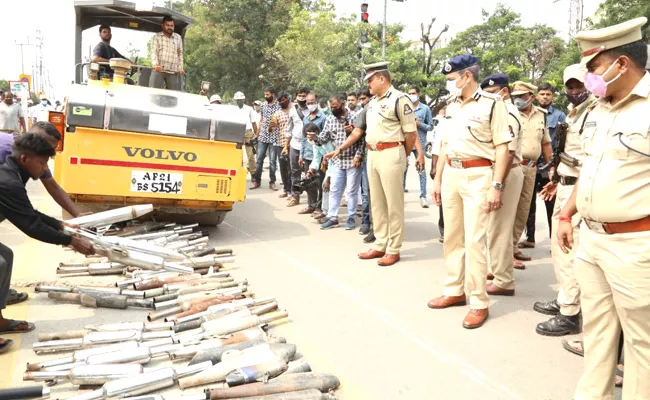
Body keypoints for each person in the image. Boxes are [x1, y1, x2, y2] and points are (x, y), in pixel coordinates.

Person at [557, 17, 650, 400]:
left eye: (592, 66)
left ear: (621, 64)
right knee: (596, 332)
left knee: (642, 343)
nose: (588, 76)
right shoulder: (599, 108)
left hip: (635, 245)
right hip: (591, 240)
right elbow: (591, 166)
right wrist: (567, 213)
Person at [427, 54, 512, 329]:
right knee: (452, 237)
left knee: (475, 241)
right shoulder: (451, 105)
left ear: (467, 76)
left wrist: (496, 186)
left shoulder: (492, 104)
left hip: (478, 175)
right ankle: (454, 290)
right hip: (451, 171)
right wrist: (438, 180)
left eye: (452, 79)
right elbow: (446, 145)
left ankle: (479, 301)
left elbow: (502, 147)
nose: (449, 84)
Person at [0, 133, 95, 353]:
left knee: (6, 256)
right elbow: (31, 226)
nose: (44, 169)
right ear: (25, 159)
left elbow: (28, 213)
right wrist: (71, 241)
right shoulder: (8, 181)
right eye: (42, 163)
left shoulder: (15, 173)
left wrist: (61, 225)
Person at [328, 62, 422, 266]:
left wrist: (402, 156)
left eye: (370, 80)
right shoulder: (372, 103)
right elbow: (358, 131)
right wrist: (340, 149)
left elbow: (411, 133)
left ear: (382, 78)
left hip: (391, 152)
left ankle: (394, 248)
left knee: (393, 204)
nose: (367, 84)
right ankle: (380, 244)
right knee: (377, 202)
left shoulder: (400, 99)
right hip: (373, 154)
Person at [533, 64, 598, 337]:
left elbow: (587, 161)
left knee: (568, 250)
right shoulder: (575, 112)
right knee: (559, 251)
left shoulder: (594, 113)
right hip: (565, 184)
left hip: (578, 191)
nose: (574, 91)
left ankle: (570, 312)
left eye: (579, 85)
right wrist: (557, 179)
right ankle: (565, 299)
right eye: (570, 87)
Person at [480, 74, 525, 297]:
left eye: (491, 93)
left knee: (499, 228)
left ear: (504, 92)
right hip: (502, 171)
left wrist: (497, 184)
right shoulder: (500, 110)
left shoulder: (507, 113)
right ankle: (496, 268)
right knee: (494, 225)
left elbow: (508, 152)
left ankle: (503, 280)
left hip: (506, 172)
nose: (487, 97)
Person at [510, 81, 552, 267]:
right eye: (516, 96)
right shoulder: (509, 113)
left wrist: (551, 167)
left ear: (531, 97)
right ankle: (504, 252)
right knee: (509, 209)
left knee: (524, 209)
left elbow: (546, 143)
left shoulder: (541, 115)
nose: (518, 99)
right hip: (513, 166)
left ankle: (513, 246)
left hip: (532, 167)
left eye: (522, 96)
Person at [520, 82, 567, 250]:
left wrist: (555, 167)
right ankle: (530, 238)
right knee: (528, 203)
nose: (545, 97)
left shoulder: (560, 116)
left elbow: (561, 143)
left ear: (552, 96)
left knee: (551, 205)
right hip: (531, 164)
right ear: (536, 96)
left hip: (549, 166)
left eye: (548, 94)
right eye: (542, 94)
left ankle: (554, 242)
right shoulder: (525, 113)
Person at [319, 93, 363, 230]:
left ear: (343, 104)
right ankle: (332, 218)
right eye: (331, 107)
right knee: (334, 189)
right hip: (337, 160)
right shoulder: (330, 119)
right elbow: (324, 138)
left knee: (351, 191)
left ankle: (351, 217)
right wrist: (315, 137)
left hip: (352, 159)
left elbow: (362, 139)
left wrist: (358, 155)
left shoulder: (355, 117)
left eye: (336, 107)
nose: (333, 109)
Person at [403, 86, 433, 208]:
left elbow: (430, 126)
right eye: (409, 93)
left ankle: (423, 196)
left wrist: (419, 124)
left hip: (419, 143)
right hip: (406, 142)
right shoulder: (405, 108)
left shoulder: (425, 109)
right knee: (402, 168)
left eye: (413, 93)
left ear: (418, 95)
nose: (411, 95)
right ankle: (401, 193)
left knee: (421, 170)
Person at [251, 87, 280, 190]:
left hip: (274, 136)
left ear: (273, 94)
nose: (266, 96)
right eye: (265, 95)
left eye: (267, 95)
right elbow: (261, 120)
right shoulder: (263, 105)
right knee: (259, 160)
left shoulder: (279, 105)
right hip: (263, 136)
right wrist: (257, 134)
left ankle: (272, 182)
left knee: (273, 161)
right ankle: (256, 181)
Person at [357, 87, 374, 240]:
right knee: (366, 192)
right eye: (361, 99)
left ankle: (380, 227)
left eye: (364, 99)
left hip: (387, 155)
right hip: (366, 156)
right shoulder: (363, 113)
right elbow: (361, 137)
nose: (363, 102)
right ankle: (366, 222)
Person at [149, 15, 184, 90]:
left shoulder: (178, 38)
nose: (170, 27)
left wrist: (180, 67)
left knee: (172, 96)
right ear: (162, 25)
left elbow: (180, 53)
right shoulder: (157, 37)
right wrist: (155, 65)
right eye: (167, 25)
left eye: (172, 25)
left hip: (173, 71)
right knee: (153, 93)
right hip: (159, 70)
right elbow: (154, 52)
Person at [430, 107, 447, 243]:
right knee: (444, 200)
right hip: (446, 165)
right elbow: (437, 147)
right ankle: (444, 229)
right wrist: (434, 167)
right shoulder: (444, 122)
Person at [233, 92, 259, 181]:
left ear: (243, 100)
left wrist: (256, 135)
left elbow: (254, 123)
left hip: (248, 133)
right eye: (238, 100)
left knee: (250, 155)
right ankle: (237, 173)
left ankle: (253, 174)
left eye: (241, 100)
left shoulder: (249, 109)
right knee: (236, 154)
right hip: (236, 132)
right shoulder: (233, 109)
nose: (239, 101)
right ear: (235, 100)